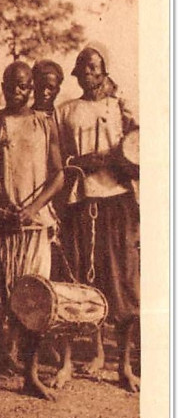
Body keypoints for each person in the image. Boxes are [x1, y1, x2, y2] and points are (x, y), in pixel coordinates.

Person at [0, 62, 65, 399]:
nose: (17, 91)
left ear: (32, 88)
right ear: (3, 87)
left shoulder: (45, 124)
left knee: (35, 302)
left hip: (34, 227)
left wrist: (32, 209)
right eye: (11, 85)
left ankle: (30, 374)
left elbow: (59, 175)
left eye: (23, 85)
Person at [56, 45, 140, 392]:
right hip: (81, 201)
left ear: (105, 71)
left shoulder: (121, 107)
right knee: (78, 278)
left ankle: (123, 365)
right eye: (84, 67)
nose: (90, 73)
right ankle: (69, 361)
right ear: (76, 72)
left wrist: (109, 158)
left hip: (117, 202)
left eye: (96, 67)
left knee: (121, 281)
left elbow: (139, 151)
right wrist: (81, 163)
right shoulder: (66, 111)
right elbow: (61, 160)